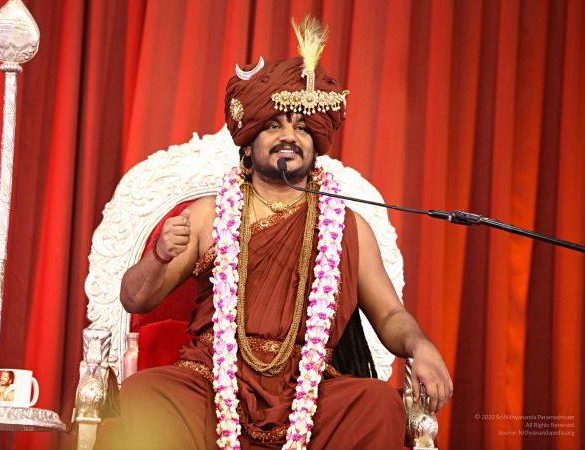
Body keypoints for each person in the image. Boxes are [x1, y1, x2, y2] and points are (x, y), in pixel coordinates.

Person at [115, 17, 452, 449]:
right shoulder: (209, 215)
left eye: (302, 127)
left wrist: (420, 345)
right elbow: (135, 299)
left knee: (377, 404)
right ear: (248, 142)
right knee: (145, 395)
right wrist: (159, 256)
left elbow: (389, 315)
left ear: (316, 143)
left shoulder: (347, 226)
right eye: (274, 125)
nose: (289, 136)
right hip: (213, 383)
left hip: (310, 393)